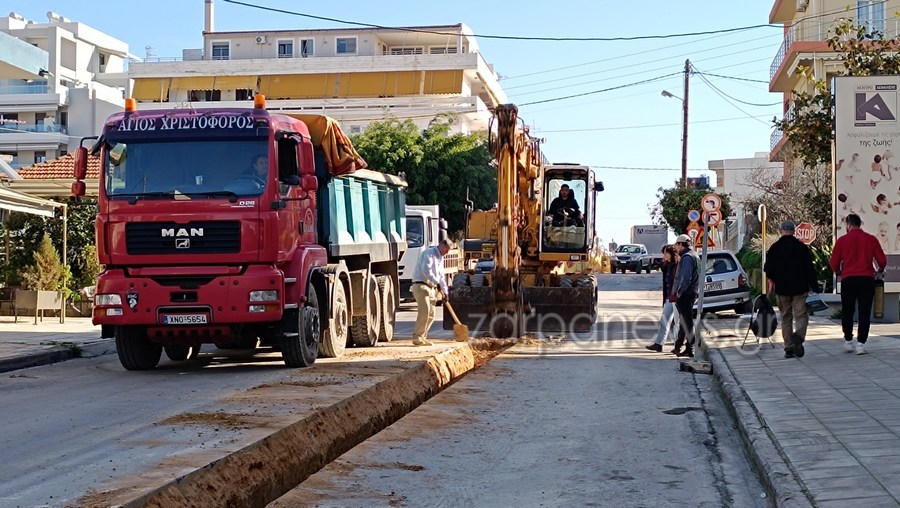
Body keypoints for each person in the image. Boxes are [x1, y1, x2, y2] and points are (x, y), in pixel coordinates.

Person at [830, 214, 887, 355]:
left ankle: (848, 341)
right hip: (866, 279)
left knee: (847, 310)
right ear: (860, 224)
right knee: (864, 311)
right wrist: (879, 270)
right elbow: (882, 260)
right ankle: (861, 343)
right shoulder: (871, 239)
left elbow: (834, 263)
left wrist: (838, 271)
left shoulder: (842, 241)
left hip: (848, 279)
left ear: (848, 224)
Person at [764, 220, 819, 359]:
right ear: (794, 231)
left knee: (786, 317)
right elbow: (809, 269)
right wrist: (815, 287)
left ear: (781, 230)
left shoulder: (775, 248)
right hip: (800, 288)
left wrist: (776, 279)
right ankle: (799, 337)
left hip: (782, 289)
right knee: (801, 315)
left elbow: (768, 269)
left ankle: (789, 347)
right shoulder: (801, 247)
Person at [410, 239, 452, 346]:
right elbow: (426, 270)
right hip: (421, 285)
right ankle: (417, 337)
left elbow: (442, 277)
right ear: (442, 246)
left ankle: (423, 336)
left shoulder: (440, 258)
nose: (446, 253)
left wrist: (445, 292)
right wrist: (436, 282)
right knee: (425, 311)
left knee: (432, 314)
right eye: (446, 250)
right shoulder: (429, 253)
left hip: (432, 287)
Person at [645, 244, 679, 353]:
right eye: (663, 253)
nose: (664, 255)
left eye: (666, 253)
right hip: (669, 297)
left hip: (677, 297)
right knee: (664, 320)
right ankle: (659, 344)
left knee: (677, 322)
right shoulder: (667, 265)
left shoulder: (678, 265)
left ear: (672, 253)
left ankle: (677, 345)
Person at [671, 234, 700, 357]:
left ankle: (690, 348)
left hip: (686, 294)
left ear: (680, 244)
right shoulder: (694, 255)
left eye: (676, 245)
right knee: (684, 320)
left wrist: (678, 293)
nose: (675, 248)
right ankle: (679, 346)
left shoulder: (687, 257)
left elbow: (685, 278)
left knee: (687, 322)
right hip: (691, 292)